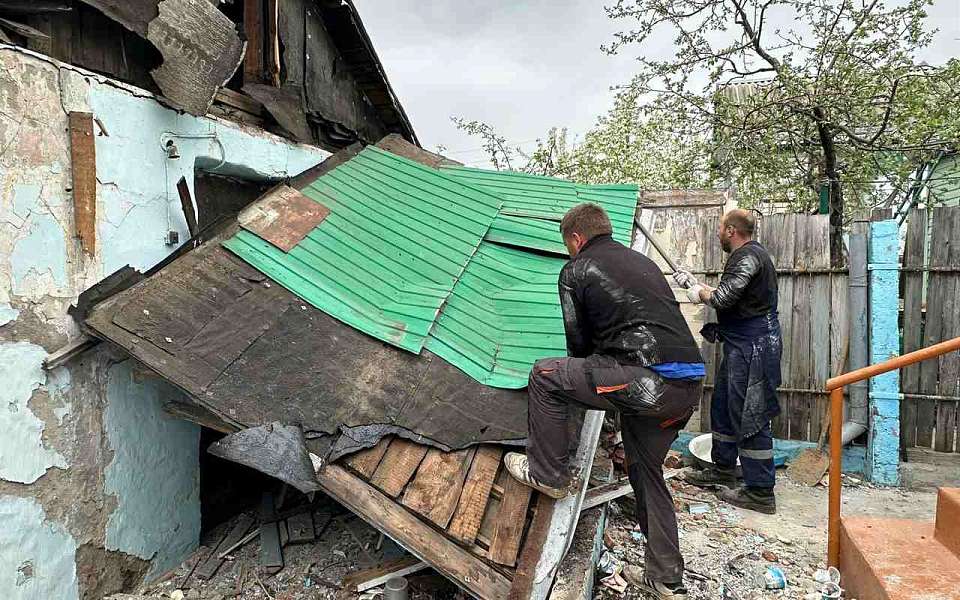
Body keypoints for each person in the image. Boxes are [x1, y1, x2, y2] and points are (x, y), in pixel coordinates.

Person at [503, 203, 705, 599]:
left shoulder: (576, 270)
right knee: (646, 473)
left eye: (567, 246)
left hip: (648, 380)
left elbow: (579, 349)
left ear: (576, 240)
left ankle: (548, 473)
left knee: (545, 374)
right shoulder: (643, 264)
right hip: (689, 385)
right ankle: (665, 578)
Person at [673, 209, 782, 514]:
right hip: (741, 344)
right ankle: (722, 469)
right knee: (723, 405)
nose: (718, 234)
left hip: (755, 347)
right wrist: (693, 284)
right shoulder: (749, 256)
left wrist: (697, 292)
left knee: (751, 413)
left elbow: (722, 298)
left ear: (732, 231)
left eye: (721, 229)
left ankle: (760, 492)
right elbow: (729, 294)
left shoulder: (747, 256)